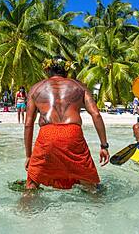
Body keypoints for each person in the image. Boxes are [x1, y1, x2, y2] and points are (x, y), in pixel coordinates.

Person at [24, 56, 110, 191]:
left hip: (47, 134)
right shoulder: (80, 87)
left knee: (32, 184)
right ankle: (98, 209)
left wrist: (29, 155)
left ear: (47, 69)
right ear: (67, 70)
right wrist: (104, 146)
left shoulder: (36, 88)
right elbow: (96, 114)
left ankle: (24, 210)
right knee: (89, 184)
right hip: (73, 133)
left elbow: (28, 124)